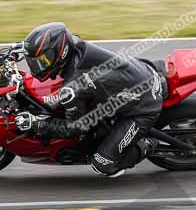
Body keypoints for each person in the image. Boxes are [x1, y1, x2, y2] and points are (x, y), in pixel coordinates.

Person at [16, 22, 167, 177]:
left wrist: (39, 124)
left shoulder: (74, 87)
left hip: (144, 105)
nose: (37, 66)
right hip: (140, 72)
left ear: (60, 53)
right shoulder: (75, 45)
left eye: (43, 61)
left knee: (103, 164)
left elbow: (75, 128)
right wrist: (20, 49)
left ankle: (149, 144)